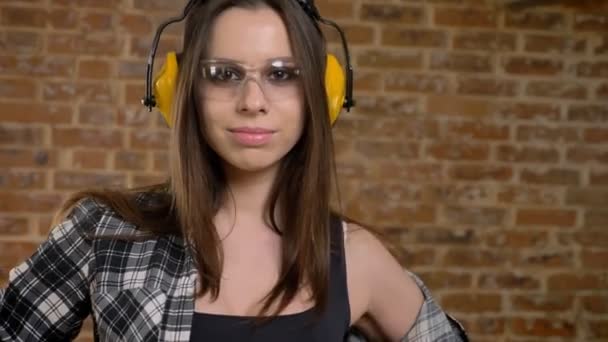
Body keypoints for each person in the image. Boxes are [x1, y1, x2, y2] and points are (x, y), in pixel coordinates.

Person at [0, 0, 468, 341]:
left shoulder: (357, 260)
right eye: (223, 74)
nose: (252, 102)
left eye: (282, 74)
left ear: (323, 95)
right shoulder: (102, 233)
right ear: (180, 90)